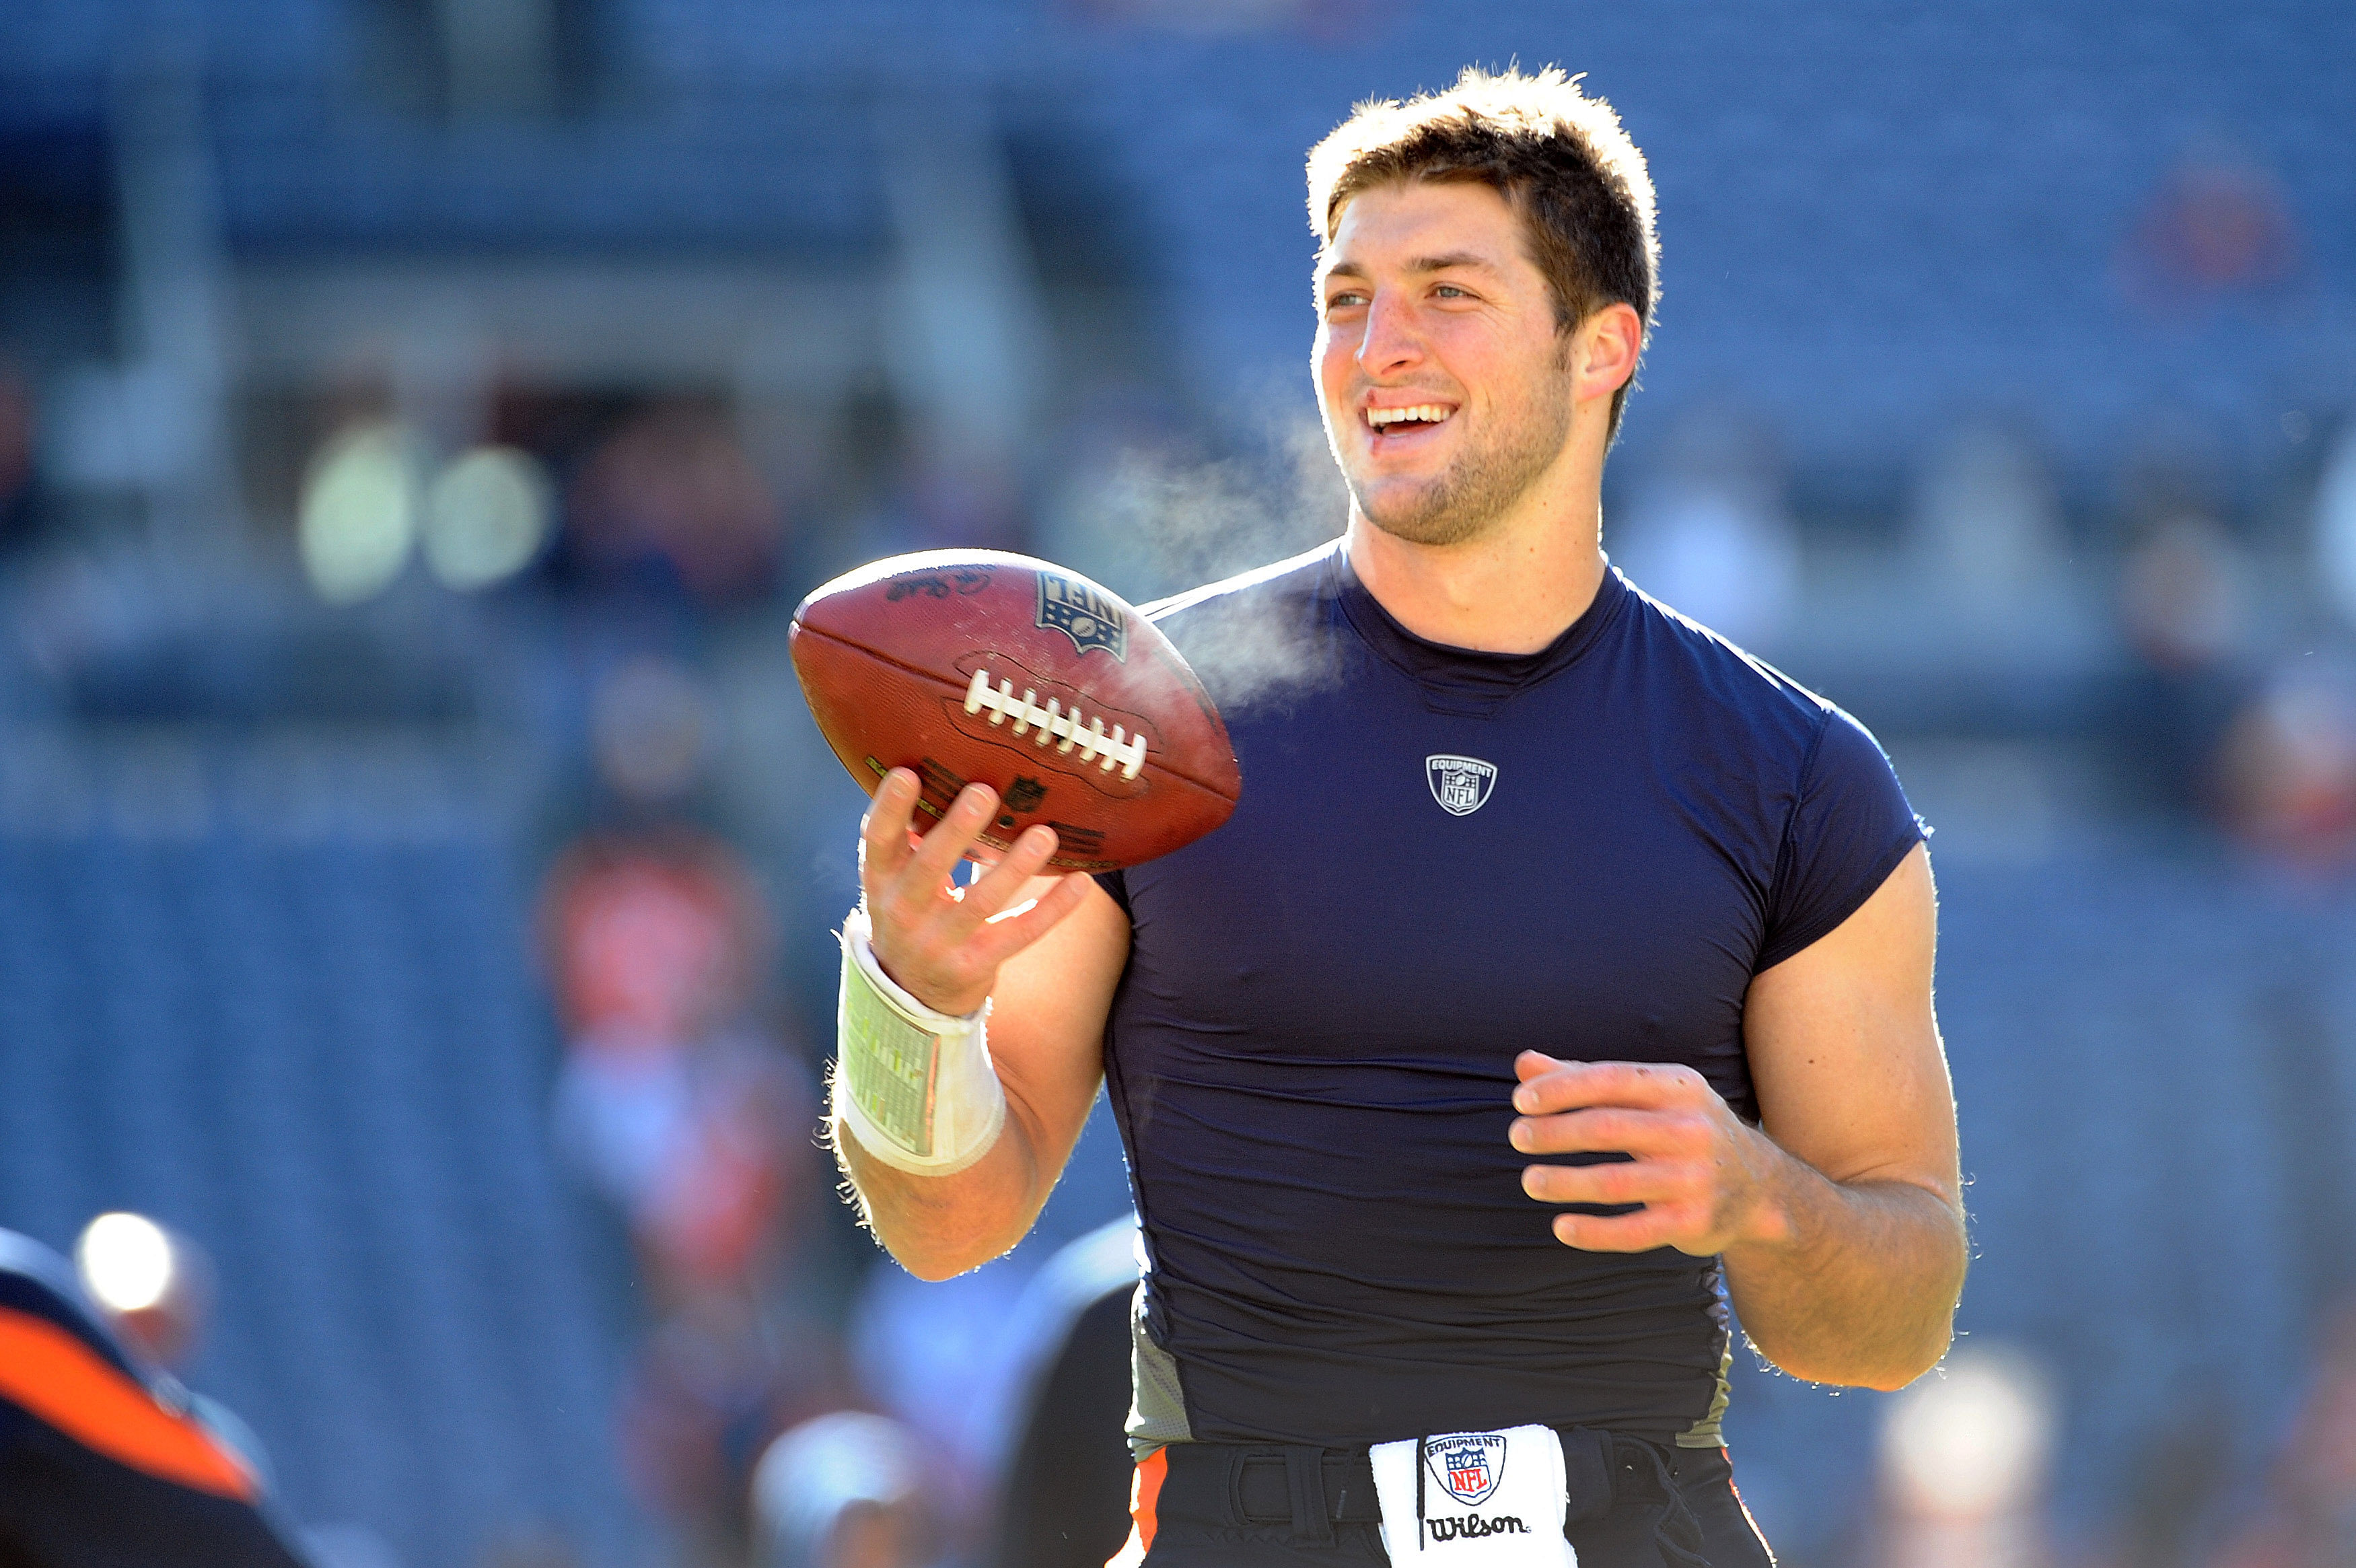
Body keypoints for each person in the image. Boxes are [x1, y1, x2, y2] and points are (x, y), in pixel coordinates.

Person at [828, 67, 1966, 1567]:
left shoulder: (1793, 776)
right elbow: (949, 1224)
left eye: (1446, 291)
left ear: (1601, 347)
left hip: (1626, 1525)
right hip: (1245, 1524)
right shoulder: (1141, 723)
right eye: (1345, 295)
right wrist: (910, 1007)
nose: (1379, 346)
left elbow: (1894, 1318)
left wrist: (1758, 1200)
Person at [0, 1227, 312, 1566]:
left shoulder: (213, 1438)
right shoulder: (44, 1377)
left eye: (155, 1319)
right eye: (125, 1315)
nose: (141, 1332)